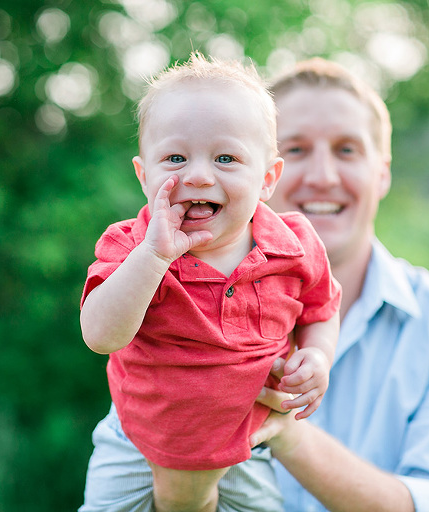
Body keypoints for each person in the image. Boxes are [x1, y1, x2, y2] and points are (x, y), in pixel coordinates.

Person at [249, 57, 429, 512]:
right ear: (261, 174)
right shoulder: (183, 305)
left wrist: (285, 432)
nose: (321, 176)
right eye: (294, 149)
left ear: (383, 172)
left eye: (347, 150)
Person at [79, 53, 341, 512]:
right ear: (145, 175)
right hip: (137, 444)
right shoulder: (132, 246)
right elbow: (100, 336)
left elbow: (321, 310)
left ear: (267, 178)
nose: (198, 175)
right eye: (175, 157)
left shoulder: (294, 246)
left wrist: (318, 355)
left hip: (249, 441)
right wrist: (154, 257)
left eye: (226, 158)